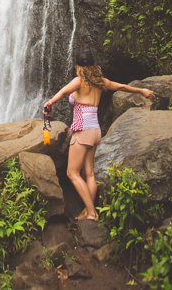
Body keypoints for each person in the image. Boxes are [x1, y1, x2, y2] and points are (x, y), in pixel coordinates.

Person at [42, 52, 155, 221]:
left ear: (79, 67)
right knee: (89, 173)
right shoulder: (101, 82)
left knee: (72, 173)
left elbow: (64, 92)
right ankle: (87, 212)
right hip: (95, 131)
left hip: (83, 131)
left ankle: (92, 212)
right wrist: (141, 90)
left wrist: (50, 102)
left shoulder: (79, 81)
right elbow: (122, 87)